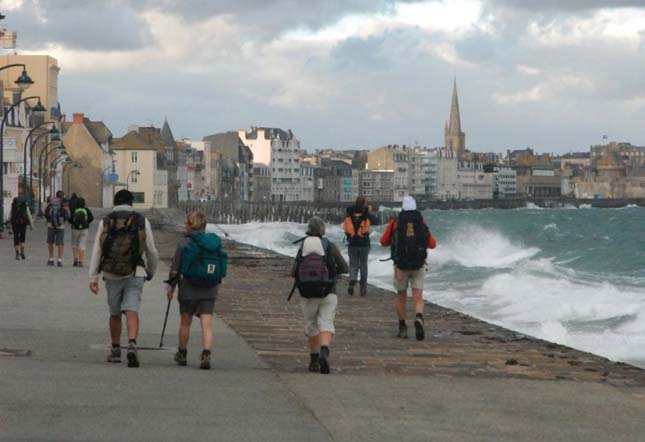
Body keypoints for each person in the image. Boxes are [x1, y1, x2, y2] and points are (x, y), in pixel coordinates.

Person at [88, 189, 159, 368]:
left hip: (111, 273)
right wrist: (151, 270)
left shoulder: (106, 221)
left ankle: (116, 348)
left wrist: (93, 277)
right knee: (132, 309)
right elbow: (151, 250)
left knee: (115, 312)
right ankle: (132, 343)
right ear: (131, 203)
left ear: (115, 202)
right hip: (136, 271)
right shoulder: (142, 220)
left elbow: (98, 249)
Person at [166, 211, 227, 370]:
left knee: (185, 322)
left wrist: (171, 287)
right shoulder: (213, 242)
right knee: (207, 325)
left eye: (187, 223)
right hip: (209, 288)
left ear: (190, 225)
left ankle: (182, 353)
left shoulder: (184, 243)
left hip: (188, 288)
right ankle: (206, 354)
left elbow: (175, 268)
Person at [292, 216, 349, 374]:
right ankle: (324, 349)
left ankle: (314, 360)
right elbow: (345, 268)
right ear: (322, 230)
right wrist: (332, 274)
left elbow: (293, 271)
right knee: (326, 322)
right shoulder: (329, 245)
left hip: (307, 293)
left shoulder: (303, 246)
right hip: (329, 291)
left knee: (312, 324)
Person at [380, 196, 436, 341]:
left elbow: (383, 241)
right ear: (415, 207)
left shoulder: (395, 223)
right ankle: (418, 316)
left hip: (401, 265)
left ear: (402, 208)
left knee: (401, 296)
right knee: (418, 296)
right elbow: (432, 244)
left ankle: (402, 327)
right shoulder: (421, 223)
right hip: (419, 264)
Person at [343, 196, 379, 296]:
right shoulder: (366, 214)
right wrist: (369, 212)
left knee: (353, 264)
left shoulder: (349, 212)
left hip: (352, 243)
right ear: (364, 204)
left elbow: (345, 225)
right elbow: (376, 221)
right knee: (363, 265)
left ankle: (353, 279)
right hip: (364, 244)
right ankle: (363, 289)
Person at [44, 190, 70, 267]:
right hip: (61, 225)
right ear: (63, 196)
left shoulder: (51, 202)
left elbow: (45, 212)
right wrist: (64, 220)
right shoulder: (64, 203)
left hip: (50, 225)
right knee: (60, 243)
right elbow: (68, 214)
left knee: (50, 242)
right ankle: (59, 260)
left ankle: (51, 259)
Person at [70, 197, 94, 268]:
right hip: (84, 229)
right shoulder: (86, 210)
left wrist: (73, 223)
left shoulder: (74, 210)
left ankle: (75, 260)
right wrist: (86, 223)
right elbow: (91, 218)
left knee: (74, 244)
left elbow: (70, 219)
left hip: (75, 229)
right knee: (82, 245)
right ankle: (81, 262)